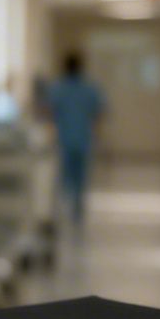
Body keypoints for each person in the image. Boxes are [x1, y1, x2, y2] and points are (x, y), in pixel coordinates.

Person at [43, 53, 106, 224]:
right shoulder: (90, 88)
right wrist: (98, 134)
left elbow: (49, 113)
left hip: (65, 138)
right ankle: (77, 210)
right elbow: (99, 113)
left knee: (64, 176)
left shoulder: (58, 88)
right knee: (81, 176)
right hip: (83, 138)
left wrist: (50, 133)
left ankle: (63, 208)